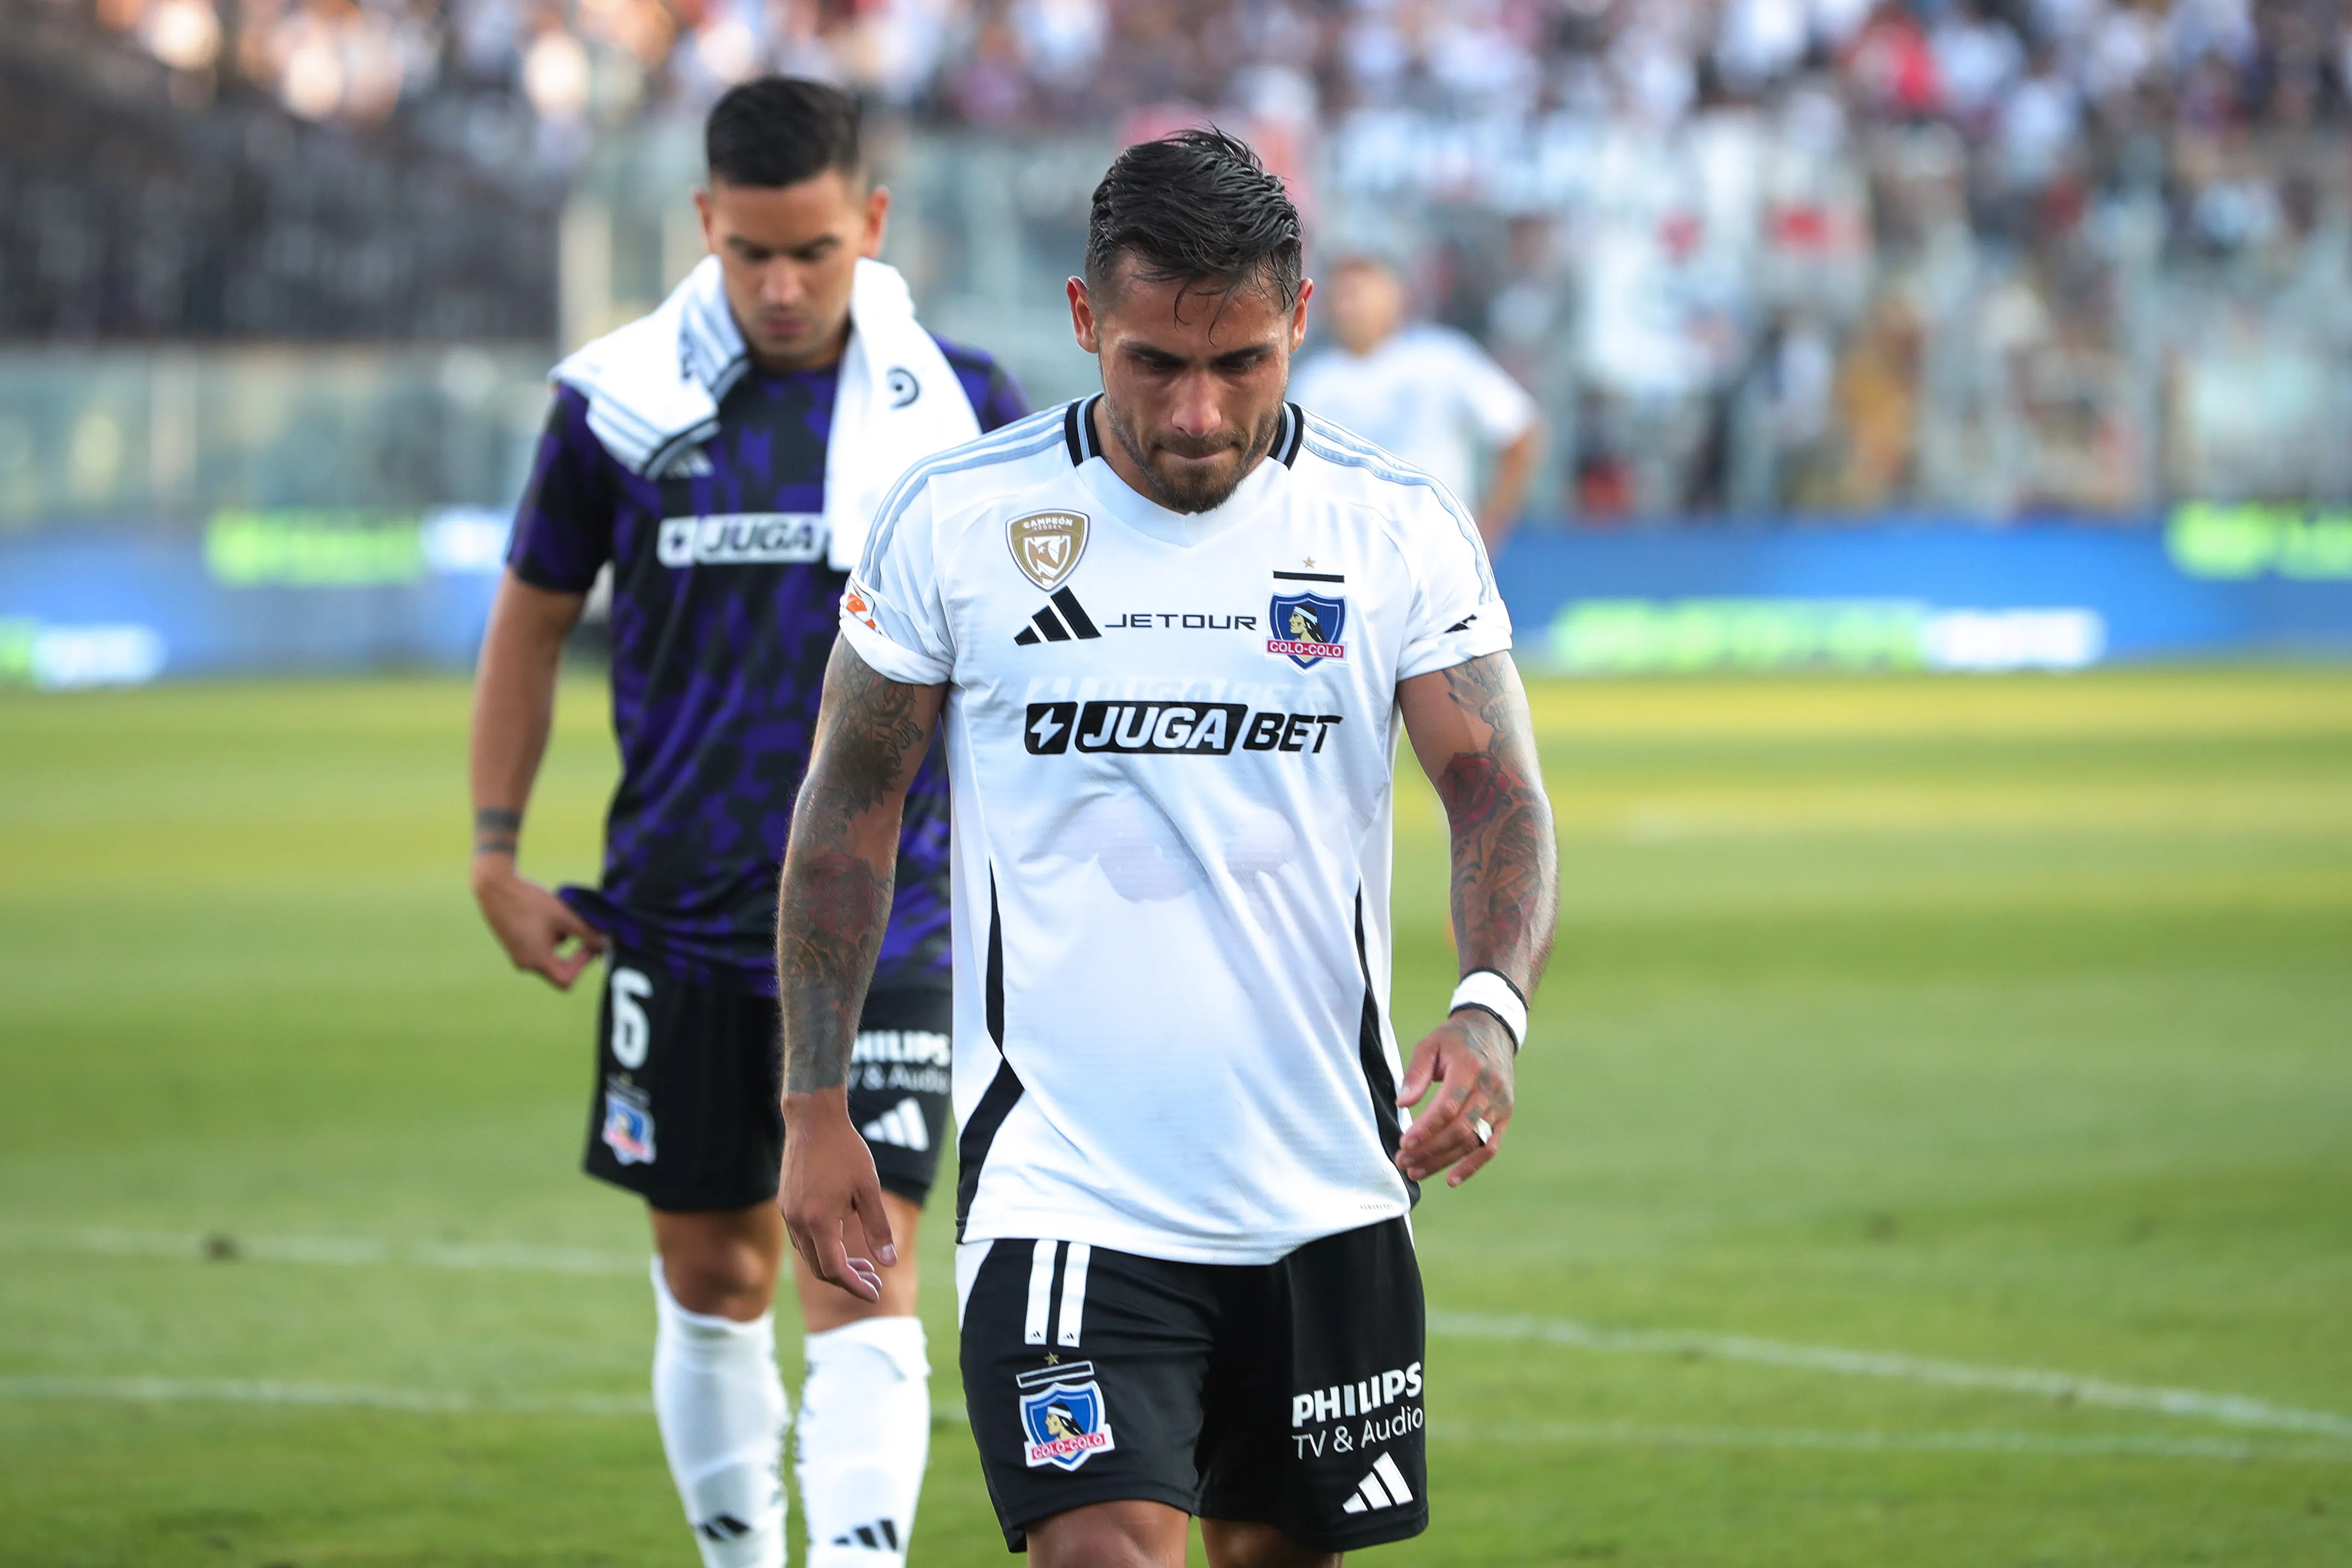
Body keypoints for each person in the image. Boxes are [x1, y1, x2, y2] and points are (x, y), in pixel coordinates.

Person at [773, 130, 1559, 1567]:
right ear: (1084, 323)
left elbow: (1496, 794)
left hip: (1323, 1176)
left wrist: (1489, 1009)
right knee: (1097, 1551)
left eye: (1242, 364)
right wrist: (813, 1100)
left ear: (1299, 319)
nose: (1197, 416)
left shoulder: (1389, 530)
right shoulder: (961, 520)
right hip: (1066, 1183)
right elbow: (847, 806)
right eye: (1153, 364)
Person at [466, 77, 1026, 1568]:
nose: (782, 287)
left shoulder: (964, 405)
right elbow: (526, 628)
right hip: (679, 917)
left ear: (874, 226)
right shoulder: (617, 408)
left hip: (889, 920)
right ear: (704, 223)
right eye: (751, 253)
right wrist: (493, 851)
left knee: (863, 1261)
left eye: (816, 252)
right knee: (712, 1275)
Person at [1287, 252, 1545, 553]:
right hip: (1348, 553)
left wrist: (1491, 527)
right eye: (1339, 295)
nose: (1348, 307)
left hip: (1436, 549)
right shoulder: (1314, 382)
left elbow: (1521, 431)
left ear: (1395, 296)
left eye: (1358, 293)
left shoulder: (1441, 358)